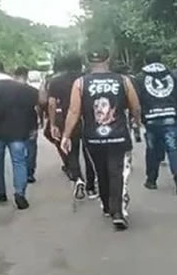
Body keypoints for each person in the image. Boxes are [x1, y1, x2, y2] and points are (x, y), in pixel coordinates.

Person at [61, 47, 141, 230]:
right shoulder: (123, 80)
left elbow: (73, 111)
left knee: (101, 172)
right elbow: (135, 106)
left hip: (93, 137)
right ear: (108, 59)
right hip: (118, 135)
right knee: (116, 172)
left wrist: (66, 135)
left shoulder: (80, 83)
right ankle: (117, 212)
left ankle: (106, 205)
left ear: (89, 61)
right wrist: (136, 122)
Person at [0, 61, 39, 210]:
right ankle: (20, 193)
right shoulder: (23, 89)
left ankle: (0, 191)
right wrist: (29, 127)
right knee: (19, 162)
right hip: (18, 132)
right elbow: (31, 109)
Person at [136, 51, 177, 196]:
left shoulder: (139, 78)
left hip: (151, 119)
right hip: (170, 116)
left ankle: (151, 180)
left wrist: (139, 118)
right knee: (173, 148)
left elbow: (136, 100)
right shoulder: (173, 76)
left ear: (146, 61)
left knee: (152, 150)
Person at [47, 54, 97, 199]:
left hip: (67, 120)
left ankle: (78, 178)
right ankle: (91, 187)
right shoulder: (87, 79)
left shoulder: (56, 81)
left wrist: (53, 124)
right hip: (88, 119)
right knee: (89, 153)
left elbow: (51, 104)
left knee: (71, 151)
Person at [13, 66, 41, 184]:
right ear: (26, 75)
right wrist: (40, 120)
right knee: (31, 148)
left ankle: (20, 172)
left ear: (14, 76)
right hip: (30, 122)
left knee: (17, 149)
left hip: (14, 123)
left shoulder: (9, 91)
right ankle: (30, 173)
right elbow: (38, 107)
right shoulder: (33, 91)